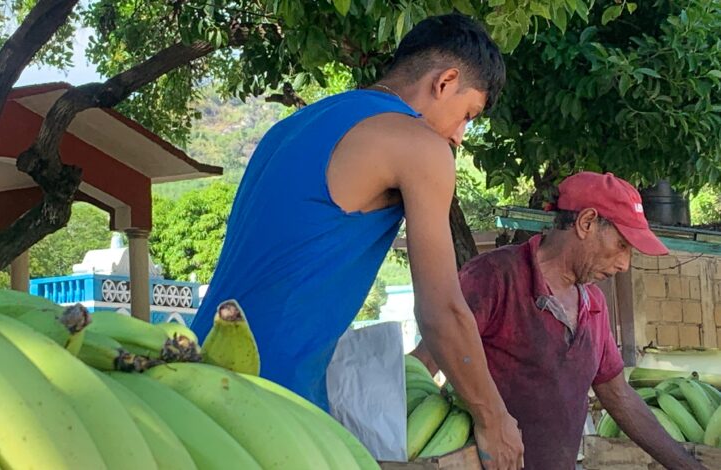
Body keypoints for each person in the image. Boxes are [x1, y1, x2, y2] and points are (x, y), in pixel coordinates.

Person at [191, 12, 525, 469]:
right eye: (467, 115)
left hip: (196, 373)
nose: (460, 136)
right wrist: (494, 417)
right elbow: (441, 310)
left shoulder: (291, 127)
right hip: (271, 405)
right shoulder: (420, 146)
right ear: (445, 81)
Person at [412, 172, 706, 470]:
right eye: (621, 245)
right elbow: (424, 363)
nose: (624, 264)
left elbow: (619, 396)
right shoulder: (494, 277)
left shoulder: (595, 306)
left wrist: (689, 466)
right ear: (587, 222)